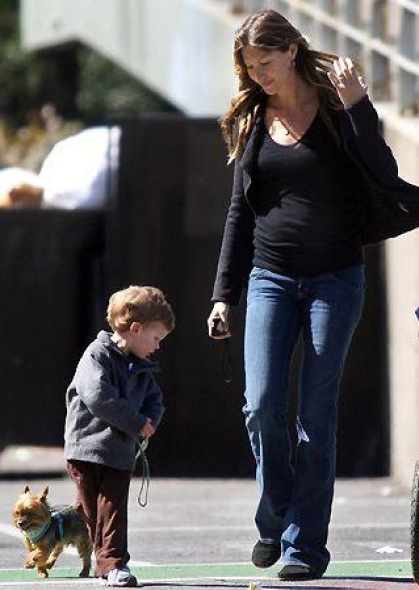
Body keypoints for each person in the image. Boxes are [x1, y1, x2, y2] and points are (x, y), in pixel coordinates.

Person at [207, 8, 419, 582]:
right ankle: (275, 512)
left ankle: (304, 548)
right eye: (250, 68)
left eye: (266, 64)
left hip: (335, 280)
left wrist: (359, 108)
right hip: (269, 279)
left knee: (315, 418)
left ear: (291, 53)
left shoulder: (334, 108)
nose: (258, 77)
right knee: (262, 405)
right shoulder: (253, 119)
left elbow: (383, 171)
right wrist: (223, 294)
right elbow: (237, 212)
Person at [65, 285, 175, 587]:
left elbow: (155, 398)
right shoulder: (96, 355)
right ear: (136, 329)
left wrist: (150, 419)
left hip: (119, 452)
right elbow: (98, 397)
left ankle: (113, 564)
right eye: (156, 338)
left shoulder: (142, 366)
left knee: (112, 508)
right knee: (91, 511)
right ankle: (103, 555)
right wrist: (136, 421)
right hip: (85, 449)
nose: (158, 346)